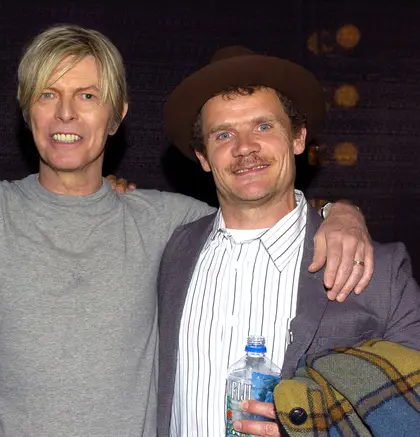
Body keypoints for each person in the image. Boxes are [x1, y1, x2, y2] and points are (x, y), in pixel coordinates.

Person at [0, 27, 372, 437]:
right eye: (48, 95)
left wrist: (342, 213)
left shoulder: (169, 221)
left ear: (117, 115)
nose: (66, 114)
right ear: (28, 114)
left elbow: (262, 206)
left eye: (87, 96)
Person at [156, 45, 420, 437]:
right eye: (224, 133)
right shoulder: (169, 251)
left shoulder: (380, 274)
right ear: (204, 156)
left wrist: (314, 425)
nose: (245, 147)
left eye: (263, 126)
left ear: (298, 138)